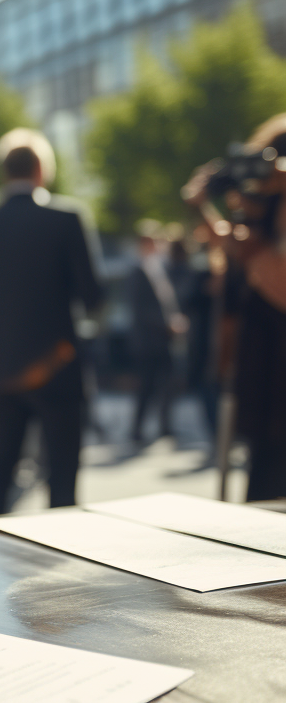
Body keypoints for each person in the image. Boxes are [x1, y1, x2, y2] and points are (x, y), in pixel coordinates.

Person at [0, 129, 102, 516]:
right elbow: (93, 296)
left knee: (1, 463)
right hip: (57, 365)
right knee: (62, 475)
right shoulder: (66, 218)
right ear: (42, 169)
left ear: (4, 171)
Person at [183, 114, 286, 500]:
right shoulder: (260, 201)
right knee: (266, 461)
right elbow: (233, 246)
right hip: (260, 349)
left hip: (276, 347)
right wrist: (202, 205)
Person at [128, 220, 186, 444]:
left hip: (162, 339)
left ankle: (165, 426)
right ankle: (137, 429)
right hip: (148, 340)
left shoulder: (159, 268)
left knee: (167, 385)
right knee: (146, 387)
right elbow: (142, 310)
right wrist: (166, 325)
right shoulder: (137, 270)